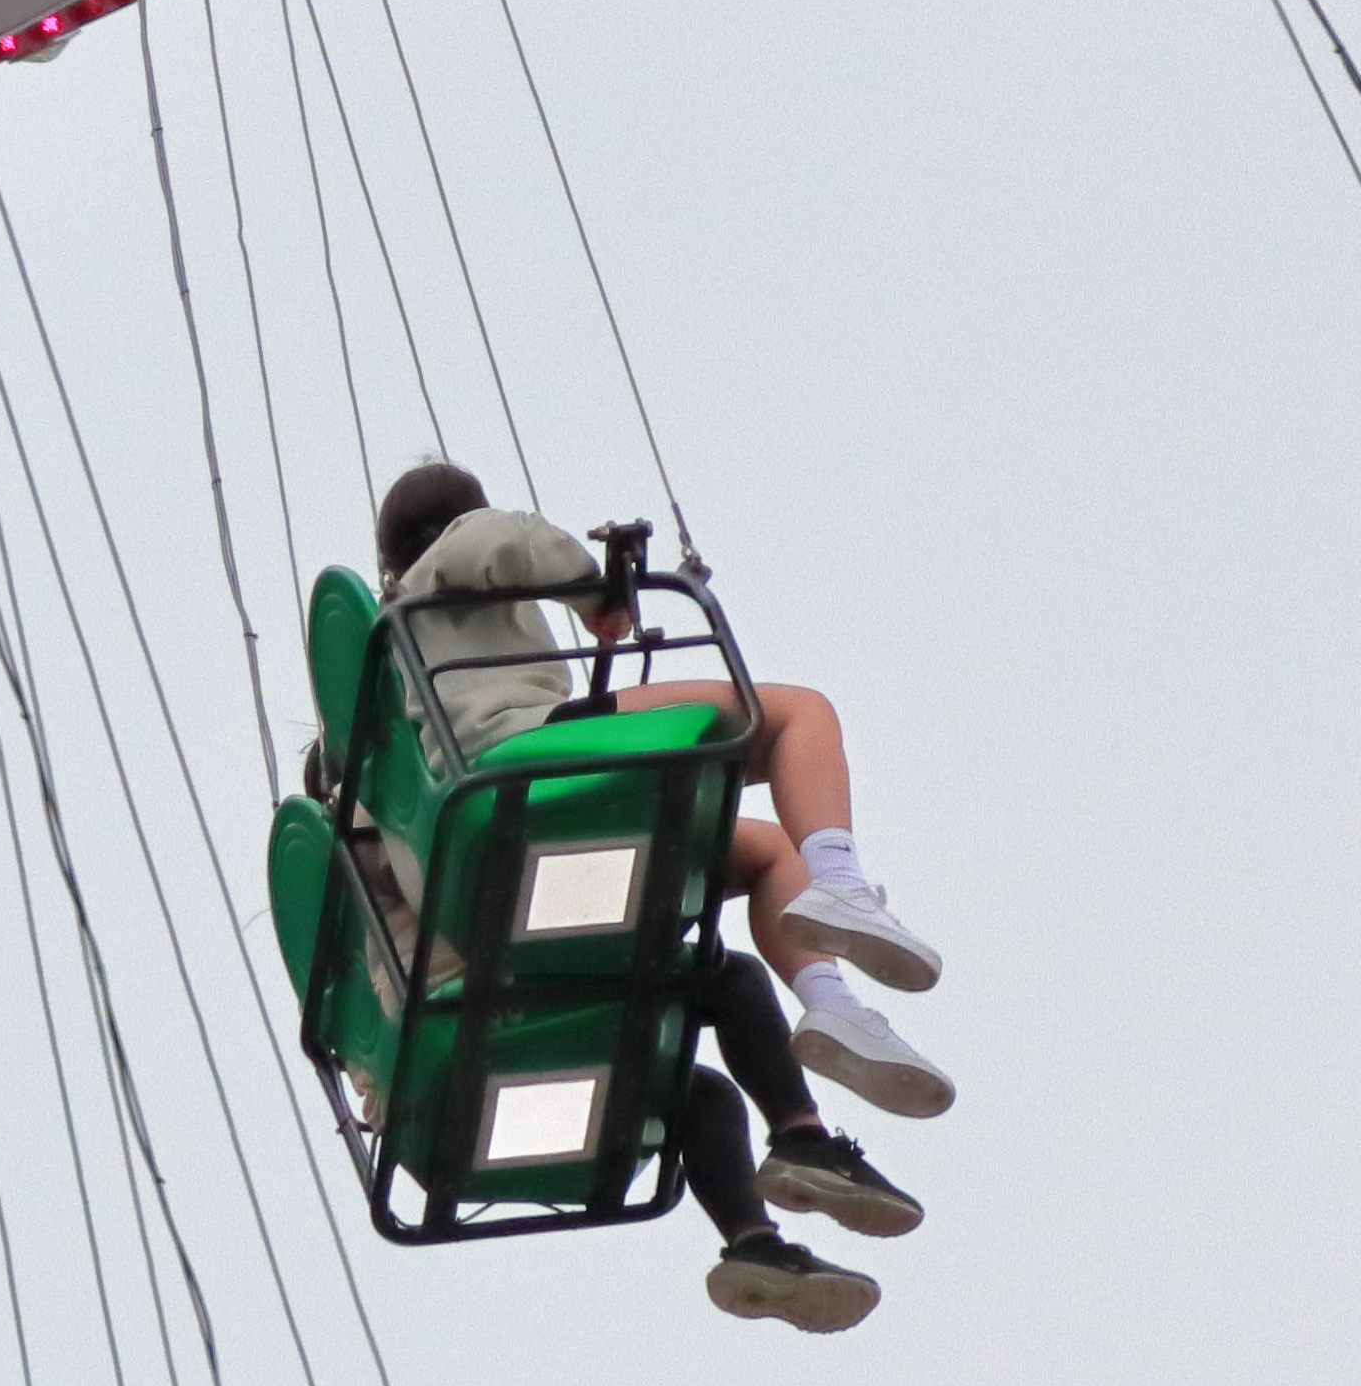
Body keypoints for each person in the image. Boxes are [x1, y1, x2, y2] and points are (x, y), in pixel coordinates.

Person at [360, 465, 937, 1324]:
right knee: (788, 714)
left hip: (518, 890)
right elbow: (507, 539)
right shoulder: (447, 566)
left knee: (716, 1001)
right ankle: (844, 890)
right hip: (532, 763)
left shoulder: (395, 698)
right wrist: (594, 591)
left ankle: (782, 1175)